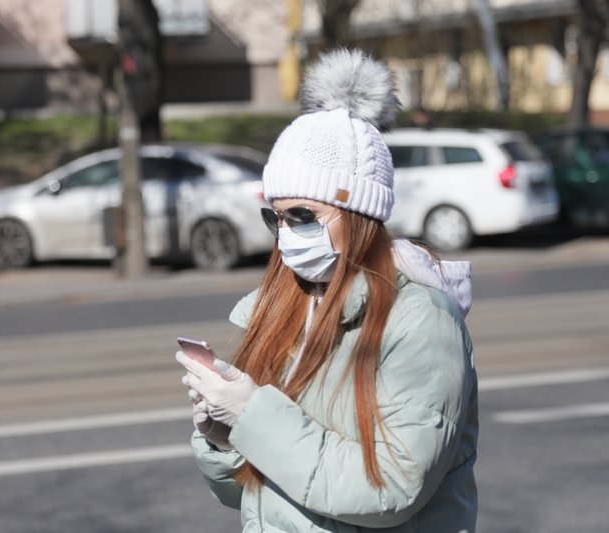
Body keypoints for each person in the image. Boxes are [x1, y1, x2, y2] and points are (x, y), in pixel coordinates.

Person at [175, 48, 478, 533]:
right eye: (275, 217)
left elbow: (390, 490)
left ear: (361, 216)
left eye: (303, 216)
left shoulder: (420, 319)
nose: (287, 233)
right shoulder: (286, 305)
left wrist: (253, 414)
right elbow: (248, 495)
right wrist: (223, 437)